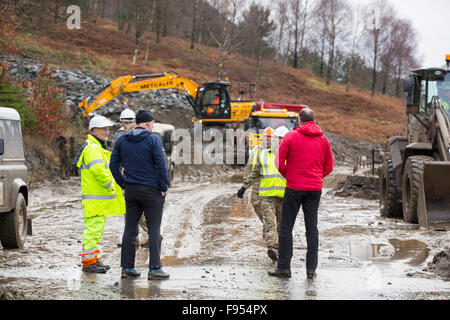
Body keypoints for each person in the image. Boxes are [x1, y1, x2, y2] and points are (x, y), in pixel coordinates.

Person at [268, 108, 333, 279]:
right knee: (312, 229)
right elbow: (329, 166)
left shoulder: (290, 137)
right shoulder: (324, 140)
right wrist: (317, 177)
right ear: (314, 120)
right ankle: (311, 270)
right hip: (314, 189)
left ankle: (284, 268)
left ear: (299, 120)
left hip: (294, 187)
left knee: (286, 227)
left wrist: (289, 175)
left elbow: (279, 161)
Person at [110, 109, 170, 280]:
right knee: (154, 229)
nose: (152, 126)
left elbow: (113, 165)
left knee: (129, 229)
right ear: (148, 123)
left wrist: (124, 184)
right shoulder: (153, 139)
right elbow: (161, 164)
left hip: (131, 190)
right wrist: (163, 187)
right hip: (151, 191)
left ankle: (127, 268)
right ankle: (154, 269)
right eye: (152, 123)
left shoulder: (122, 140)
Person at [73, 115, 126, 273]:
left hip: (98, 201)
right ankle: (88, 263)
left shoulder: (95, 146)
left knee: (96, 231)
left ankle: (93, 260)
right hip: (95, 200)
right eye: (104, 129)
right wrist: (110, 184)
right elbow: (98, 170)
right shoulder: (92, 148)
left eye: (108, 129)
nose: (107, 132)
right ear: (94, 130)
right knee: (92, 231)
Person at [237, 127, 287, 262]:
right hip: (265, 192)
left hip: (285, 196)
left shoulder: (290, 153)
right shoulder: (260, 152)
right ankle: (273, 246)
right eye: (267, 137)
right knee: (268, 220)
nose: (268, 139)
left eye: (271, 137)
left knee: (282, 224)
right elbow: (253, 170)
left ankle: (281, 248)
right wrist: (244, 186)